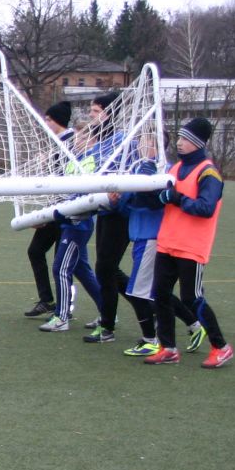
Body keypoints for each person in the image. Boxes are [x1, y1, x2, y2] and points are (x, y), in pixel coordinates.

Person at [145, 117, 235, 368]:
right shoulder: (174, 170)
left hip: (191, 247)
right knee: (159, 295)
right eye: (180, 138)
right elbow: (165, 199)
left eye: (185, 139)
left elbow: (205, 208)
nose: (180, 143)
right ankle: (168, 348)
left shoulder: (209, 173)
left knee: (191, 298)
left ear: (197, 143)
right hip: (167, 243)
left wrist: (176, 198)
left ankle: (221, 346)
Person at [38, 106, 104, 333]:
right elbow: (62, 192)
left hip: (79, 223)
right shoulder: (73, 161)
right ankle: (108, 313)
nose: (77, 141)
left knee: (60, 268)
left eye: (82, 137)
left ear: (93, 140)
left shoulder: (92, 162)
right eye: (76, 136)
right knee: (81, 270)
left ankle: (62, 316)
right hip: (67, 221)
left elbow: (84, 196)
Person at [107, 134, 166, 356]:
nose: (139, 146)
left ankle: (151, 339)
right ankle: (189, 325)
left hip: (152, 237)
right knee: (149, 291)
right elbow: (127, 208)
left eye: (145, 142)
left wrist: (133, 188)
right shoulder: (139, 170)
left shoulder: (156, 171)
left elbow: (153, 201)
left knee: (138, 292)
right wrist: (117, 200)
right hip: (140, 237)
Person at [81, 94, 133, 343]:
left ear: (109, 113)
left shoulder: (123, 141)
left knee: (105, 268)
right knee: (107, 269)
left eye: (95, 111)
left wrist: (120, 193)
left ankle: (108, 326)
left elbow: (134, 171)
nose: (91, 115)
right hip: (103, 211)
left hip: (120, 213)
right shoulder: (99, 142)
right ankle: (149, 307)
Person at [22, 101, 72, 317]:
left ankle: (68, 307)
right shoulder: (56, 144)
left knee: (68, 265)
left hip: (69, 211)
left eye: (49, 119)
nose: (46, 123)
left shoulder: (71, 143)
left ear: (58, 121)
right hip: (55, 209)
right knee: (36, 251)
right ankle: (47, 300)